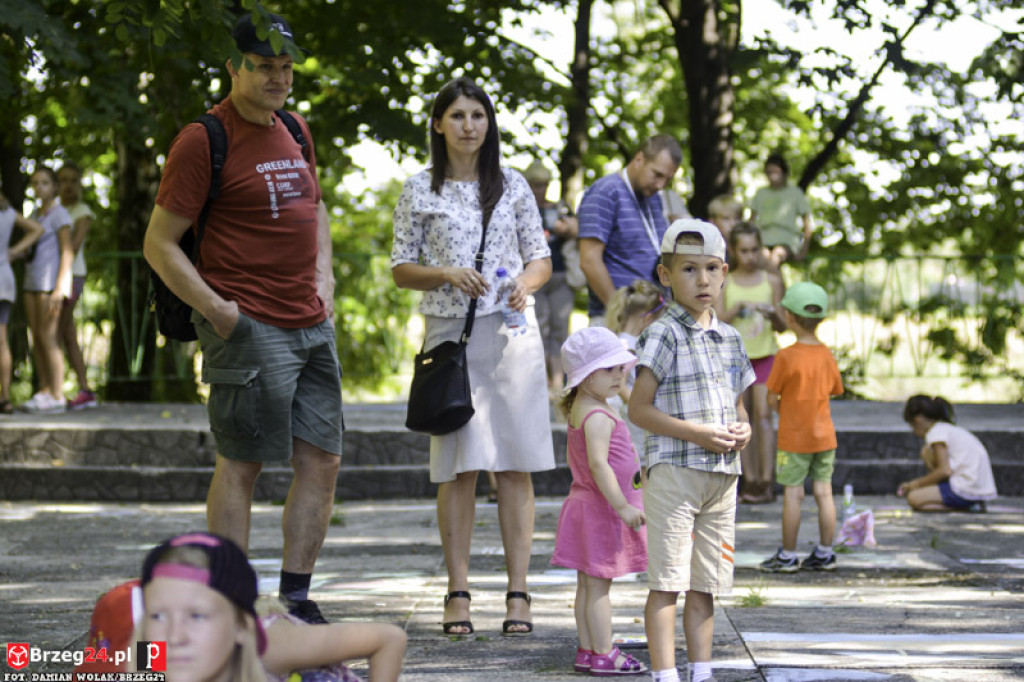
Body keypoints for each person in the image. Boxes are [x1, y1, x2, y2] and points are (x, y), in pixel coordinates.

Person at [143, 12, 343, 625]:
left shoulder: (295, 128)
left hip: (311, 323)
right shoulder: (203, 139)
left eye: (285, 67)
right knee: (244, 463)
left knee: (323, 458)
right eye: (264, 66)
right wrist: (218, 311)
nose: (277, 78)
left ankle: (295, 598)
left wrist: (325, 274)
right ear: (234, 68)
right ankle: (232, 603)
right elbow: (160, 243)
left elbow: (318, 208)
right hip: (249, 327)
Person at [391, 77, 555, 637]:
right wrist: (444, 273)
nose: (468, 125)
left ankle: (518, 593)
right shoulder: (418, 188)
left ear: (490, 124)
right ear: (438, 124)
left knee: (514, 464)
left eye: (478, 115)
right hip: (448, 337)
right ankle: (457, 591)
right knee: (457, 469)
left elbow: (540, 257)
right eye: (457, 115)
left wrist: (525, 286)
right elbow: (399, 269)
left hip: (511, 336)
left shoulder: (511, 185)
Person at [629, 219, 754, 682]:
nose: (701, 281)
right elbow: (639, 410)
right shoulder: (662, 334)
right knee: (668, 582)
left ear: (724, 273)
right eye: (687, 270)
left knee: (707, 584)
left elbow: (741, 412)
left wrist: (742, 431)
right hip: (675, 473)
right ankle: (666, 676)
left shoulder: (732, 338)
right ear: (665, 275)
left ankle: (702, 673)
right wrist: (697, 434)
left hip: (722, 477)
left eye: (710, 270)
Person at [136, 532, 406, 682]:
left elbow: (388, 638)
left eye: (196, 615)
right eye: (158, 614)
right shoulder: (148, 648)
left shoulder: (273, 645)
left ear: (242, 626)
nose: (174, 635)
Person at [551, 327, 649, 677]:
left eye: (621, 368)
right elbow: (598, 463)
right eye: (609, 370)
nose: (619, 375)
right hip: (601, 510)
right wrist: (623, 506)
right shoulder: (596, 415)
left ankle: (588, 649)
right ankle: (605, 652)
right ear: (585, 376)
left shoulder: (587, 405)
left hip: (587, 507)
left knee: (587, 586)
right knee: (598, 589)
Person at [759, 282, 844, 574]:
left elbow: (771, 398)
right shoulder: (826, 354)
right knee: (824, 493)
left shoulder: (785, 356)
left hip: (793, 438)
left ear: (788, 316)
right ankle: (825, 552)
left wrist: (790, 412)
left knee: (793, 495)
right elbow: (836, 389)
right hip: (825, 437)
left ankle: (788, 556)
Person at [578, 135, 682, 325]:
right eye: (657, 174)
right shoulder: (605, 192)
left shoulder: (653, 197)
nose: (660, 185)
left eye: (667, 179)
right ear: (639, 159)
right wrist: (620, 315)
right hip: (619, 320)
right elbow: (589, 261)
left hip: (651, 316)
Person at [716, 223, 786, 504]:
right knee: (741, 419)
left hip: (766, 356)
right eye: (743, 251)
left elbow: (783, 325)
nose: (750, 256)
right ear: (733, 251)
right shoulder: (726, 280)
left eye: (755, 250)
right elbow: (717, 320)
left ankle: (767, 480)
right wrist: (737, 307)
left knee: (765, 417)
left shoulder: (772, 281)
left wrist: (772, 314)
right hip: (735, 360)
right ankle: (750, 480)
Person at [21, 166, 74, 414]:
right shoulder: (34, 214)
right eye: (35, 183)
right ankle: (44, 390)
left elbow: (67, 251)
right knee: (37, 337)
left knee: (49, 338)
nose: (38, 188)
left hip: (49, 285)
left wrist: (60, 287)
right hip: (32, 283)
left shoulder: (59, 214)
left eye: (44, 183)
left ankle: (58, 394)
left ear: (54, 187)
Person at [523, 159, 577, 398]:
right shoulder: (520, 209)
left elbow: (579, 230)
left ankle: (557, 384)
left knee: (560, 329)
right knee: (538, 327)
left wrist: (565, 229)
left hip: (560, 275)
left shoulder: (559, 208)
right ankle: (541, 384)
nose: (540, 189)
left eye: (543, 184)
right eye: (535, 184)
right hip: (533, 276)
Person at [897, 395, 997, 512]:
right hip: (977, 486)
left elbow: (944, 470)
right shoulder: (946, 428)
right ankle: (967, 506)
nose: (914, 432)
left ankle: (967, 507)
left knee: (914, 498)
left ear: (917, 420)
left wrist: (916, 484)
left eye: (912, 426)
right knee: (926, 453)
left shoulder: (936, 433)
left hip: (965, 487)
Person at [605, 279, 666, 456]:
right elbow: (620, 385)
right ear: (648, 319)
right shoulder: (629, 347)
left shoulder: (619, 340)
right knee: (641, 470)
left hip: (630, 417)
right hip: (631, 420)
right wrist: (644, 408)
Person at [56, 162, 99, 410]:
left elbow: (73, 245)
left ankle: (54, 391)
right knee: (68, 335)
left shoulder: (82, 211)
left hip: (72, 276)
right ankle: (85, 389)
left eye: (73, 180)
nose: (68, 185)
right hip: (53, 277)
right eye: (63, 180)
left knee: (54, 335)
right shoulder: (53, 210)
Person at [0, 191, 44, 414]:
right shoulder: (8, 213)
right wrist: (14, 251)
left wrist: (15, 250)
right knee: (2, 341)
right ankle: (5, 398)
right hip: (4, 278)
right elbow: (37, 229)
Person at [748, 153, 813, 272]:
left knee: (776, 255)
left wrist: (804, 250)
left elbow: (807, 224)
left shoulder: (795, 192)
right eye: (769, 173)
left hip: (787, 239)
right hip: (764, 239)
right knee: (763, 258)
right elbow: (751, 222)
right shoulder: (761, 193)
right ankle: (776, 288)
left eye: (775, 172)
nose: (772, 177)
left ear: (784, 173)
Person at [706, 195, 743, 265]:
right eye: (726, 218)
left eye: (737, 218)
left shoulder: (749, 247)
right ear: (712, 221)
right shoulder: (706, 249)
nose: (733, 224)